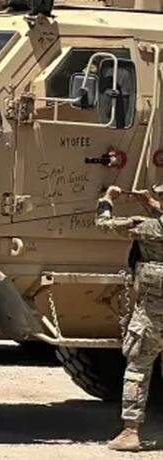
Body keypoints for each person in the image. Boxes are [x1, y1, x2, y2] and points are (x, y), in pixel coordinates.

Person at [97, 185, 163, 452]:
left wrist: (107, 200)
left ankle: (130, 431)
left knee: (138, 370)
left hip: (150, 318)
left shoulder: (147, 228)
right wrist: (150, 202)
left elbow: (103, 225)